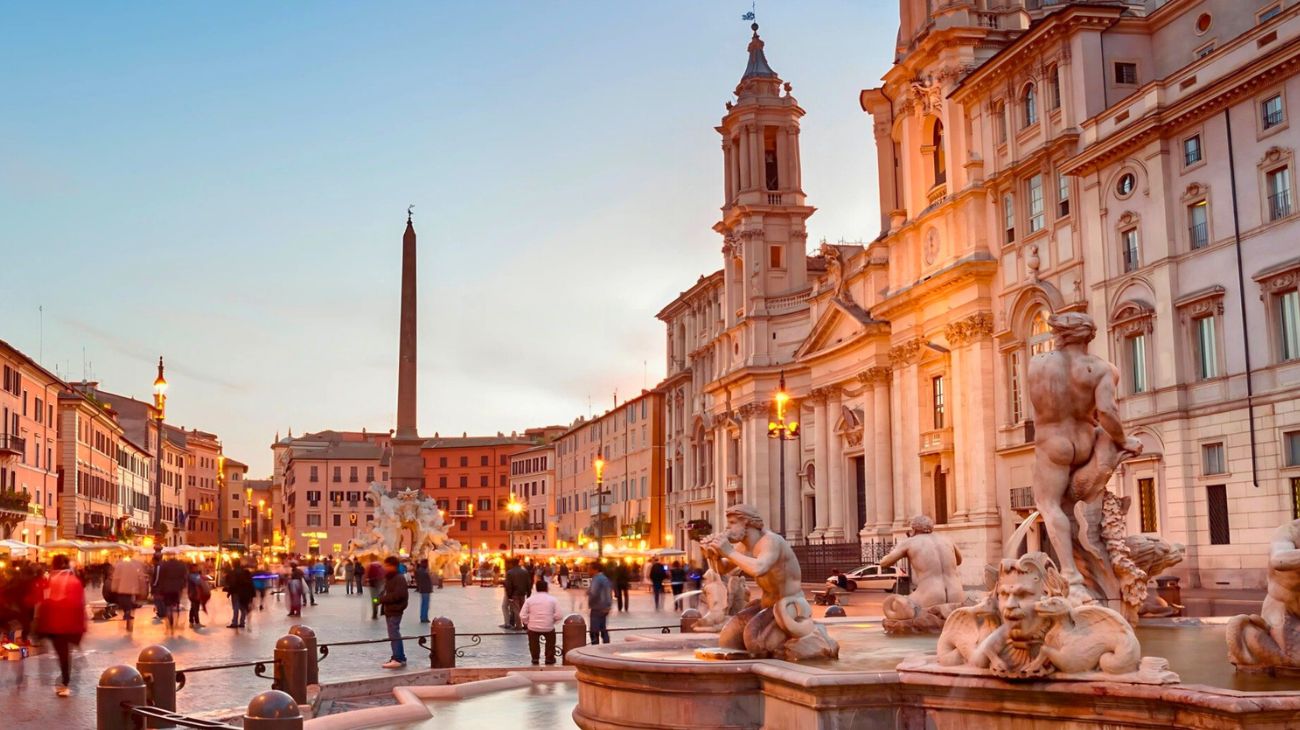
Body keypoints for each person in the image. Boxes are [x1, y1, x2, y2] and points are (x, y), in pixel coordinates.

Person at [39, 555, 86, 697]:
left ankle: (65, 680)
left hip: (55, 624)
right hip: (71, 623)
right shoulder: (74, 581)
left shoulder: (50, 580)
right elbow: (80, 604)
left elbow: (45, 601)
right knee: (66, 653)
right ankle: (66, 679)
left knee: (63, 654)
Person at [519, 579, 561, 665]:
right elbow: (559, 615)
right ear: (547, 588)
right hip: (548, 626)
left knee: (533, 641)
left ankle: (535, 658)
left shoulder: (530, 600)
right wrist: (552, 621)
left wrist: (528, 622)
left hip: (533, 626)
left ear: (536, 588)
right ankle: (549, 658)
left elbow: (522, 615)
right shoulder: (553, 600)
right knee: (550, 640)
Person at [377, 556, 409, 668]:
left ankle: (398, 658)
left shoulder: (399, 578)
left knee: (394, 634)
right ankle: (400, 656)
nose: (384, 568)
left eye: (386, 565)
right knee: (394, 634)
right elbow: (386, 592)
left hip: (395, 610)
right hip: (390, 609)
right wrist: (379, 599)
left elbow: (399, 595)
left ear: (392, 566)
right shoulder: (390, 578)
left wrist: (382, 599)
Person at [109, 554, 147, 631]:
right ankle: (128, 612)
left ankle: (126, 612)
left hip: (122, 586)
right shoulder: (135, 565)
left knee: (123, 599)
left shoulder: (119, 565)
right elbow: (140, 576)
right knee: (128, 599)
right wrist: (142, 588)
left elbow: (116, 577)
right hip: (131, 586)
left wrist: (114, 587)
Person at [155, 554, 188, 630]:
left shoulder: (164, 565)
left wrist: (160, 588)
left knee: (168, 605)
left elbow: (161, 577)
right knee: (176, 603)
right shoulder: (181, 566)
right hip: (177, 589)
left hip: (166, 589)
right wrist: (182, 586)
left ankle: (170, 616)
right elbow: (184, 577)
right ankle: (175, 612)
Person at [587, 563, 613, 644]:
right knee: (603, 628)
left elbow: (593, 593)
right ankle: (606, 645)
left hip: (597, 607)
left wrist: (590, 602)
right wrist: (608, 605)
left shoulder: (597, 579)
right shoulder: (605, 578)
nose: (588, 571)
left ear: (595, 569)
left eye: (589, 569)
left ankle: (595, 648)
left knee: (594, 631)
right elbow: (609, 593)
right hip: (605, 607)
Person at [225, 561, 255, 627]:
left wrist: (229, 591)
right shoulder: (245, 572)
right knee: (243, 607)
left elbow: (231, 583)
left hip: (235, 592)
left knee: (235, 607)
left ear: (233, 564)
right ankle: (242, 622)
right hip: (244, 593)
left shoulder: (232, 572)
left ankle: (234, 622)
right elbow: (250, 582)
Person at [504, 559, 532, 630]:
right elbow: (528, 583)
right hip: (523, 593)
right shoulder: (524, 571)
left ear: (512, 564)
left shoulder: (510, 572)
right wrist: (529, 592)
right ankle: (526, 624)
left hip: (514, 593)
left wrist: (509, 595)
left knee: (516, 610)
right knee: (523, 608)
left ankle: (518, 625)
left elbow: (508, 585)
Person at [186, 562, 210, 628]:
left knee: (194, 608)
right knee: (195, 608)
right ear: (191, 568)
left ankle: (192, 622)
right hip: (193, 594)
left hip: (197, 594)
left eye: (197, 567)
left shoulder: (196, 574)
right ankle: (196, 622)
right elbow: (197, 581)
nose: (196, 569)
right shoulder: (190, 575)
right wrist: (202, 578)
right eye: (195, 568)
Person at [414, 559, 433, 623]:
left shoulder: (419, 571)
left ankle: (423, 617)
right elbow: (428, 579)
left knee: (423, 604)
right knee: (425, 604)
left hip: (422, 589)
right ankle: (424, 618)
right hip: (426, 589)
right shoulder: (424, 571)